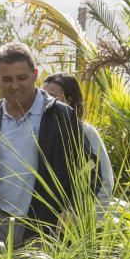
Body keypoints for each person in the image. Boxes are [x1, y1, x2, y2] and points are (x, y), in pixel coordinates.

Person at [0, 42, 93, 245]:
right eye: (7, 79)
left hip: (44, 228)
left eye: (21, 78)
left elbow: (91, 168)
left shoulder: (61, 117)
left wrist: (74, 209)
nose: (15, 85)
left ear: (35, 75)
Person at [42, 73, 114, 216]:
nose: (45, 102)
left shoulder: (85, 133)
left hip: (75, 224)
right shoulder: (37, 132)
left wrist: (80, 216)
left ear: (68, 101)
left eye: (52, 96)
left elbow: (103, 181)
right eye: (42, 96)